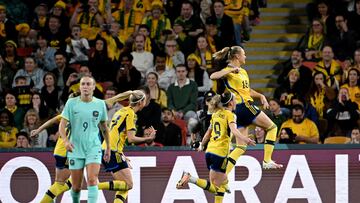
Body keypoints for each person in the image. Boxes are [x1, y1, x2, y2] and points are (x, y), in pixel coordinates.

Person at [31, 91, 136, 203]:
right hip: (73, 150)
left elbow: (53, 120)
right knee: (66, 183)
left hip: (60, 150)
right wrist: (133, 92)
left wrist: (38, 130)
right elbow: (116, 98)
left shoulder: (69, 112)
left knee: (62, 183)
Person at [210, 46, 282, 169]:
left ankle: (222, 176)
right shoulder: (228, 71)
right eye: (244, 54)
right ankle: (267, 160)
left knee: (241, 147)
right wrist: (230, 71)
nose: (245, 56)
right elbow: (213, 76)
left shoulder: (243, 71)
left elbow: (247, 90)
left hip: (239, 111)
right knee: (272, 127)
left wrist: (261, 96)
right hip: (244, 105)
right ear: (237, 56)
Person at [176, 92, 255, 202]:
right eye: (235, 99)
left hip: (209, 151)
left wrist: (202, 145)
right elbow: (234, 130)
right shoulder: (230, 115)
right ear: (231, 103)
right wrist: (245, 138)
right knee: (217, 187)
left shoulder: (215, 114)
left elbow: (208, 133)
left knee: (219, 183)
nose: (236, 101)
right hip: (220, 152)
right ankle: (191, 178)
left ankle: (224, 185)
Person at [59, 75, 111, 203]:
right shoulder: (71, 103)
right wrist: (65, 141)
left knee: (92, 180)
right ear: (80, 87)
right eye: (83, 84)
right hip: (75, 148)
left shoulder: (100, 104)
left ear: (94, 87)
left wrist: (108, 147)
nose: (85, 87)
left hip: (93, 147)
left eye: (88, 84)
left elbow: (104, 128)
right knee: (76, 187)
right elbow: (62, 125)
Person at [100, 90, 156, 202]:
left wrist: (122, 154)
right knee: (129, 184)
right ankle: (95, 186)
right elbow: (131, 139)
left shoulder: (121, 110)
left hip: (109, 149)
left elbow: (116, 134)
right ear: (141, 102)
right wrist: (148, 139)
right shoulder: (131, 114)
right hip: (112, 151)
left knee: (123, 186)